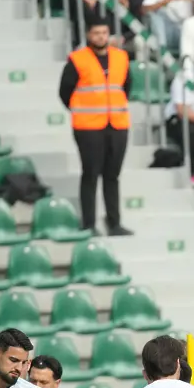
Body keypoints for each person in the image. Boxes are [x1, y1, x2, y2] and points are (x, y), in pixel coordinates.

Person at [58, 20, 133, 236]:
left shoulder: (121, 57)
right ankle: (89, 224)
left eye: (104, 32)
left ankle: (114, 222)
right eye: (96, 32)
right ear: (89, 35)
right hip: (88, 126)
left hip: (117, 123)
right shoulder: (77, 59)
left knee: (112, 175)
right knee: (90, 174)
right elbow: (65, 91)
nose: (101, 36)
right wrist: (82, 109)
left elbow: (126, 86)